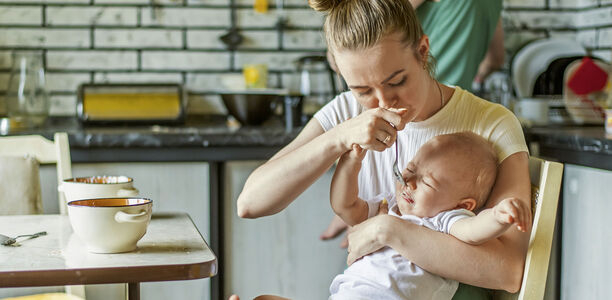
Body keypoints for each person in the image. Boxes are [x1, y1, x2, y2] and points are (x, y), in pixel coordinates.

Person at [236, 0, 530, 298]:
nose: (384, 102)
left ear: (422, 51)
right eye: (363, 91)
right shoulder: (346, 112)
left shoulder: (490, 123)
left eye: (397, 81)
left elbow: (510, 272)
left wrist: (387, 231)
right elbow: (250, 203)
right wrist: (338, 138)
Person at [329, 132, 530, 299]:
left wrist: (497, 216)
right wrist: (350, 164)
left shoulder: (443, 221)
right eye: (410, 169)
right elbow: (344, 206)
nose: (410, 182)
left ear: (463, 205)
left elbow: (473, 230)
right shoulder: (388, 204)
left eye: (427, 183)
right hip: (347, 291)